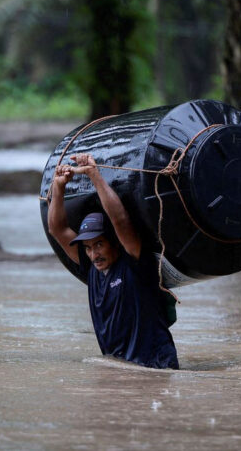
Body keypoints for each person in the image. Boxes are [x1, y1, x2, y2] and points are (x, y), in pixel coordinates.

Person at [48, 152, 179, 369]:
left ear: (115, 243)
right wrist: (58, 187)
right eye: (88, 248)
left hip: (156, 366)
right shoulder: (92, 268)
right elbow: (57, 229)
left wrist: (93, 174)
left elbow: (120, 220)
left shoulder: (134, 262)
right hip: (122, 368)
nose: (93, 254)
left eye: (99, 244)